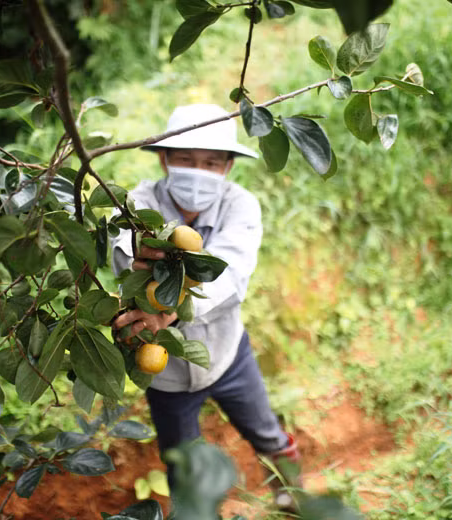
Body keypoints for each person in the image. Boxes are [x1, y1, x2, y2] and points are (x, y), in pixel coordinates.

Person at [110, 104, 301, 510]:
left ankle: (293, 496)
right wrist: (135, 250)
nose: (198, 171)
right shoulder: (137, 205)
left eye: (211, 162)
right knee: (181, 463)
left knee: (266, 433)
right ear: (164, 159)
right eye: (185, 159)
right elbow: (118, 244)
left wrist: (169, 307)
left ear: (228, 167)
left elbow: (230, 276)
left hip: (228, 355)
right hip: (167, 375)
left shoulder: (241, 206)